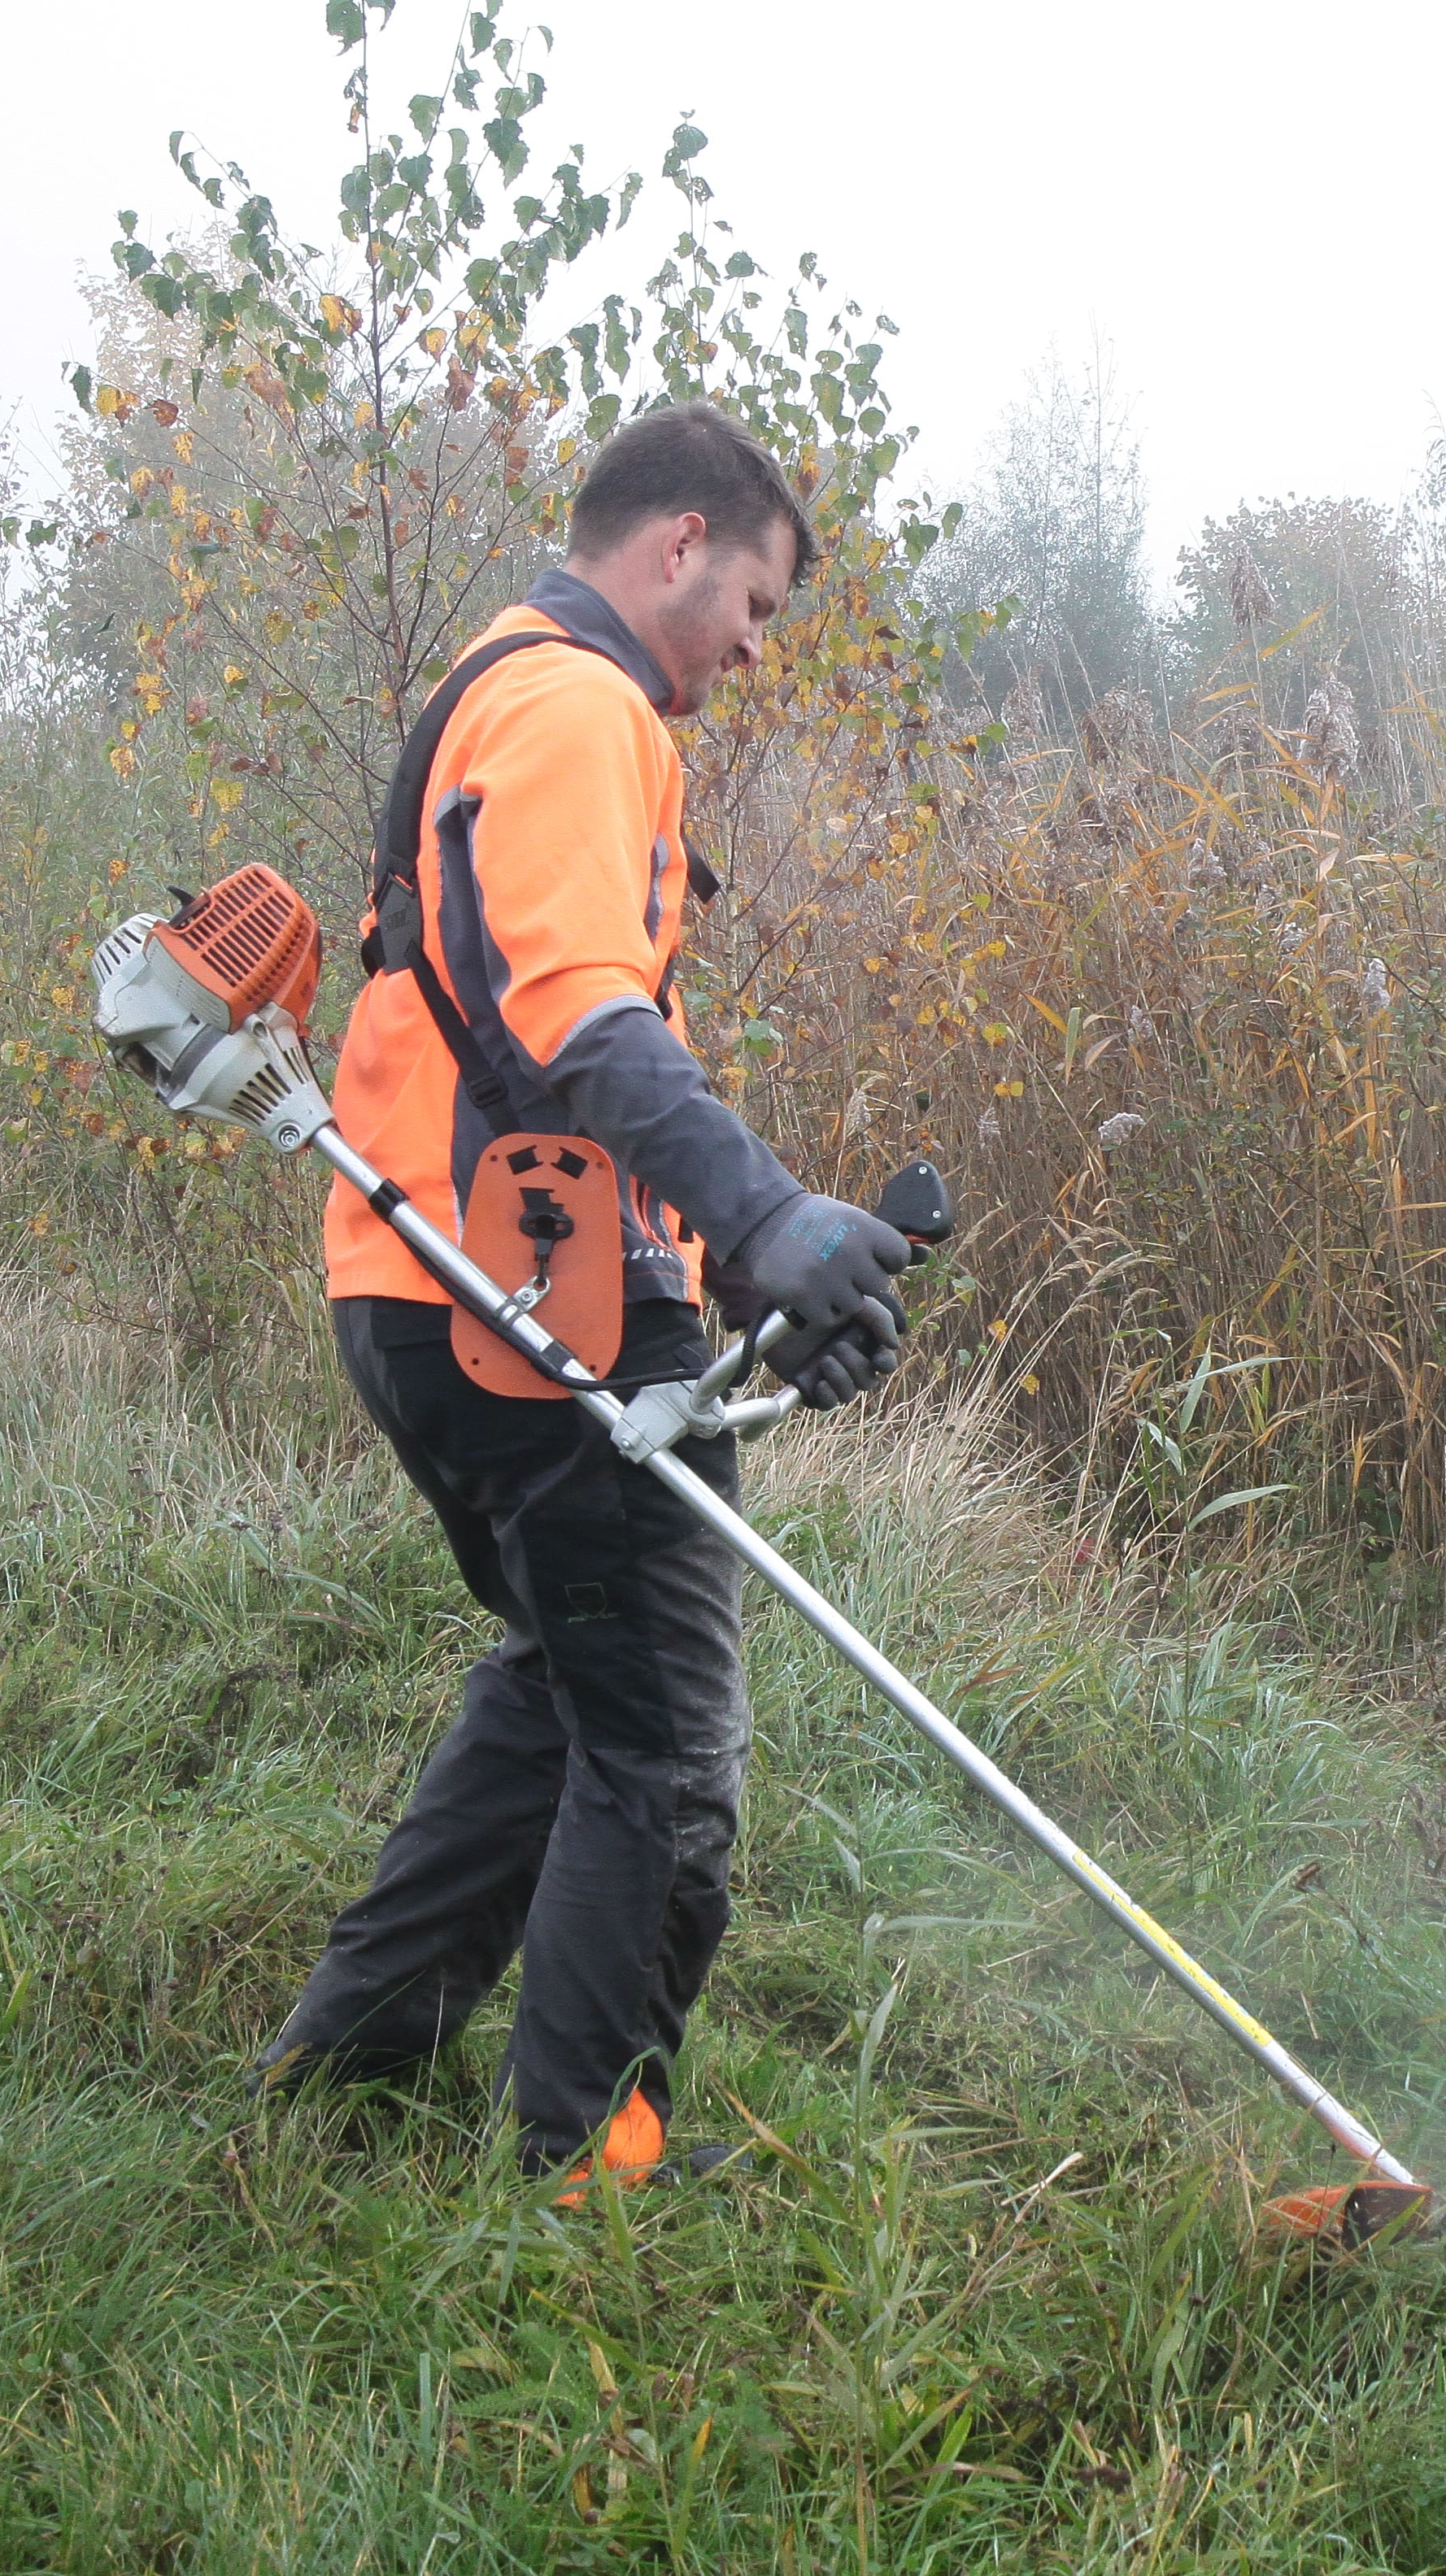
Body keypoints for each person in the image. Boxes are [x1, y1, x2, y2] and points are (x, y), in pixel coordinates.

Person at [255, 400, 914, 2200]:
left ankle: (352, 2058)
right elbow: (574, 1013)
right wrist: (767, 1213)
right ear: (679, 543)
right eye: (756, 604)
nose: (753, 652)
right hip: (529, 1299)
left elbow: (529, 1034)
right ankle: (588, 2166)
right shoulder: (574, 703)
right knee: (667, 1741)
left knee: (570, 1680)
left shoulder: (505, 690)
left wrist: (755, 1276)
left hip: (439, 1281)